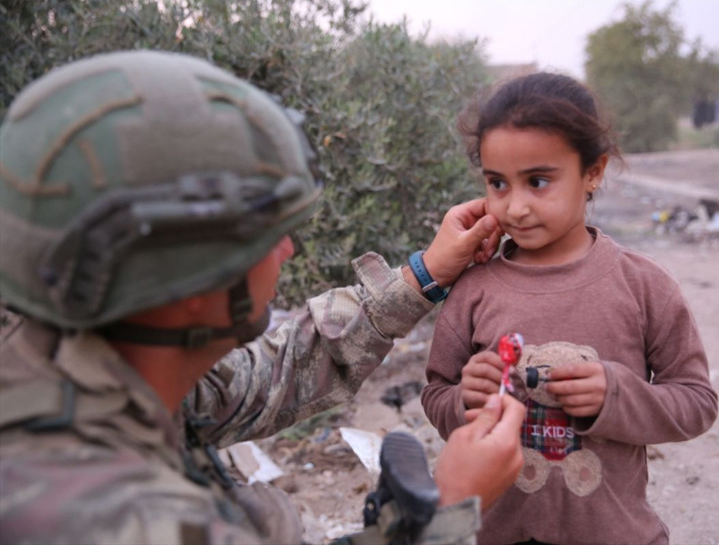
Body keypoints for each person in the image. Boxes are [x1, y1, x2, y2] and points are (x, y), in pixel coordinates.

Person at [0, 50, 526, 545]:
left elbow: (268, 376)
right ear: (191, 279)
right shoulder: (96, 516)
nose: (289, 249)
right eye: (264, 235)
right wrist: (450, 510)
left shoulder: (85, 355)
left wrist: (422, 276)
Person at [420, 72, 719, 544]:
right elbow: (437, 396)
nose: (515, 207)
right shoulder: (474, 288)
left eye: (538, 181)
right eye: (498, 183)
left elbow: (698, 403)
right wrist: (464, 399)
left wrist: (616, 395)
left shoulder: (644, 286)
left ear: (593, 172)